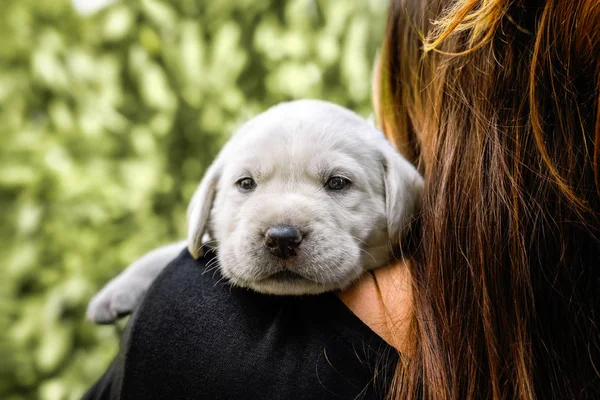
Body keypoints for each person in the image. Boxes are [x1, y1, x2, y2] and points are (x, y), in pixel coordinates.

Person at [84, 0, 600, 399]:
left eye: (335, 183)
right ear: (207, 202)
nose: (282, 230)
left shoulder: (196, 327)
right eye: (247, 184)